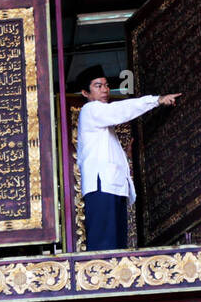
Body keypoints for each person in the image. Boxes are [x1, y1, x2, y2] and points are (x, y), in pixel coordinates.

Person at [73, 64, 181, 252]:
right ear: (85, 93)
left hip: (111, 187)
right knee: (104, 247)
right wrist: (156, 100)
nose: (105, 90)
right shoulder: (90, 110)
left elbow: (107, 153)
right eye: (98, 86)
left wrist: (127, 156)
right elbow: (119, 110)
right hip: (101, 187)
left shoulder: (102, 124)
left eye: (106, 85)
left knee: (117, 247)